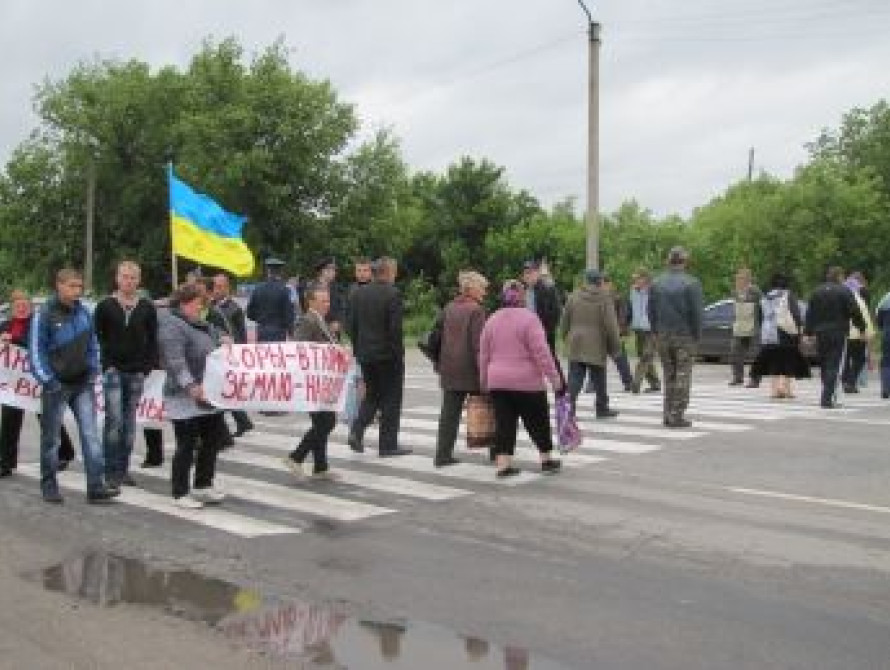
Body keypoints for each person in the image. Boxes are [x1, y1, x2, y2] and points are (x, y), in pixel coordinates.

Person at [28, 268, 119, 503]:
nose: (76, 291)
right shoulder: (44, 313)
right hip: (56, 385)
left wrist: (93, 369)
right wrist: (49, 380)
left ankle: (96, 486)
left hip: (82, 384)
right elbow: (36, 351)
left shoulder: (84, 312)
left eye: (79, 286)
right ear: (59, 285)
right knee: (52, 440)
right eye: (72, 286)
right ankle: (49, 484)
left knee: (90, 435)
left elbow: (93, 344)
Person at [479, 280, 564, 478]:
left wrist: (483, 381)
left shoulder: (491, 320)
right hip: (527, 382)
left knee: (504, 423)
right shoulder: (530, 319)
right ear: (522, 297)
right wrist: (554, 378)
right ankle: (546, 459)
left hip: (498, 382)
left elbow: (483, 354)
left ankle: (503, 464)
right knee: (537, 421)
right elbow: (542, 353)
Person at [157, 284, 227, 509]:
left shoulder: (202, 325)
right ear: (184, 302)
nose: (201, 307)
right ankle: (180, 492)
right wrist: (190, 385)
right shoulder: (171, 325)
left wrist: (224, 342)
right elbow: (175, 361)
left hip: (208, 393)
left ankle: (203, 484)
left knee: (212, 440)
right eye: (198, 302)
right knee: (186, 444)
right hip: (184, 395)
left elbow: (214, 346)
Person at [94, 260, 158, 488]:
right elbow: (97, 337)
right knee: (114, 422)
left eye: (133, 277)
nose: (128, 281)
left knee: (130, 423)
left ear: (139, 280)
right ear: (117, 278)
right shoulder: (105, 306)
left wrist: (147, 366)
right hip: (113, 371)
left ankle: (123, 469)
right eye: (124, 276)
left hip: (136, 372)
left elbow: (153, 339)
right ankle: (109, 471)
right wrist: (106, 364)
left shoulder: (147, 307)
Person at [0, 290, 74, 477]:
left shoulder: (38, 324)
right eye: (18, 305)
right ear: (12, 308)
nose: (22, 308)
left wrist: (15, 340)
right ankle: (6, 462)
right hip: (14, 384)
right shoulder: (4, 326)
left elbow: (40, 344)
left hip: (39, 380)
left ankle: (64, 452)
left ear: (30, 306)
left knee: (47, 418)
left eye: (25, 304)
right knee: (9, 420)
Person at [346, 257, 411, 457]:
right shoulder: (393, 293)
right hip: (387, 356)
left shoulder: (359, 294)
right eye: (394, 270)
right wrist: (398, 354)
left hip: (366, 354)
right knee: (391, 398)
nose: (396, 274)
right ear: (388, 271)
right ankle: (388, 445)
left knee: (372, 395)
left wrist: (358, 349)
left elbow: (351, 326)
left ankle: (357, 431)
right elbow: (395, 329)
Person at [282, 283, 340, 480]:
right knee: (327, 422)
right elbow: (299, 347)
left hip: (323, 380)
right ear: (311, 302)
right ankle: (296, 456)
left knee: (322, 422)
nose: (327, 304)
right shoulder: (307, 321)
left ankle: (320, 466)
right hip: (312, 382)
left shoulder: (320, 320)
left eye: (328, 300)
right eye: (323, 301)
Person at [434, 270, 488, 467]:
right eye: (482, 288)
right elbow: (478, 346)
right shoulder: (476, 311)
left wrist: (438, 363)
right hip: (470, 370)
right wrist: (485, 373)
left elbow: (436, 338)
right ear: (471, 288)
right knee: (491, 407)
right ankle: (496, 451)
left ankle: (442, 454)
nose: (485, 292)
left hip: (449, 368)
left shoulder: (449, 307)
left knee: (449, 414)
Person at [648, 247, 704, 429]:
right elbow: (697, 314)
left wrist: (656, 331)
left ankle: (667, 413)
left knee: (669, 374)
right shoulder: (692, 283)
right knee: (682, 375)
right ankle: (676, 414)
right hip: (684, 335)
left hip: (663, 334)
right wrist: (697, 335)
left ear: (668, 261)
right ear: (684, 262)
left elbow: (651, 311)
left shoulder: (656, 283)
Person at [561, 269, 621, 418]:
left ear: (585, 281)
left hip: (576, 342)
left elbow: (564, 321)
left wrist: (566, 337)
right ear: (599, 281)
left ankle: (569, 409)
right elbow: (611, 325)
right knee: (599, 378)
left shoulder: (573, 297)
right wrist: (615, 347)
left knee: (574, 378)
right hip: (597, 342)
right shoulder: (604, 298)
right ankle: (602, 408)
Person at [804, 266, 866, 409]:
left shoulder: (816, 291)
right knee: (834, 365)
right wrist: (861, 328)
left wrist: (807, 333)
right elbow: (854, 311)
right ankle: (827, 399)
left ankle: (826, 393)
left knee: (825, 364)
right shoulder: (844, 291)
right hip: (838, 332)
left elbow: (810, 313)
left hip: (820, 333)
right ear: (839, 277)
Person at [749, 273, 810, 398]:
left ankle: (775, 390)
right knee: (788, 361)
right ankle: (786, 389)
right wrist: (799, 329)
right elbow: (795, 314)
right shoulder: (788, 295)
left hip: (768, 333)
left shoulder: (765, 297)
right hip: (785, 333)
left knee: (774, 362)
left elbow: (759, 317)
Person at [211, 273, 254, 437]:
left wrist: (242, 354)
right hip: (216, 354)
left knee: (223, 392)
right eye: (215, 286)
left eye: (220, 287)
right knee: (223, 392)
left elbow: (241, 334)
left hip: (231, 354)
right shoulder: (210, 306)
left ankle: (231, 429)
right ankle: (242, 422)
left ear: (227, 288)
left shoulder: (234, 308)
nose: (217, 290)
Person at [246, 257, 295, 343]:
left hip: (262, 330)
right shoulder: (285, 290)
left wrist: (260, 319)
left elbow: (249, 313)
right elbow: (289, 314)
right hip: (279, 331)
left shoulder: (257, 289)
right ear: (280, 272)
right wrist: (291, 332)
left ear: (268, 271)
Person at [628, 269, 661, 394]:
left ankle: (635, 384)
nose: (636, 281)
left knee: (646, 356)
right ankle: (655, 383)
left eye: (638, 278)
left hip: (651, 329)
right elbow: (630, 308)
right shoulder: (633, 291)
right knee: (644, 356)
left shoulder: (654, 292)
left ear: (645, 279)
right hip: (638, 329)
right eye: (635, 279)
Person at [841, 273, 875, 394]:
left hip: (845, 332)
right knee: (859, 359)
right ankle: (850, 382)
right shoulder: (861, 298)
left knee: (846, 357)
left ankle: (846, 380)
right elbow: (865, 315)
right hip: (858, 332)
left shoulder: (843, 296)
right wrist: (868, 332)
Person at [729, 268, 762, 387]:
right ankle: (737, 377)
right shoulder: (734, 292)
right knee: (735, 352)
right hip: (739, 326)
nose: (738, 280)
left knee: (756, 354)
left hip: (754, 325)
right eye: (737, 278)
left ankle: (755, 379)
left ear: (748, 279)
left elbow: (761, 307)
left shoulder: (755, 291)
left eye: (741, 278)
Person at [521, 260, 561, 359]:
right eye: (526, 273)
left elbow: (556, 312)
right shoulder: (523, 292)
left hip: (543, 333)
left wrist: (547, 330)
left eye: (531, 272)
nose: (528, 276)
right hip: (526, 333)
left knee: (548, 360)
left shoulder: (548, 289)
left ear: (537, 273)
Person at [601, 272, 633, 392]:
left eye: (604, 284)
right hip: (601, 334)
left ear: (610, 284)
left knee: (620, 359)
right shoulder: (598, 298)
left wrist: (620, 331)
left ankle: (628, 382)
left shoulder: (618, 298)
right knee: (597, 360)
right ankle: (592, 384)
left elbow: (623, 316)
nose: (602, 286)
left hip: (615, 334)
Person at [314, 257, 345, 340]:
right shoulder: (312, 287)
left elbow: (343, 308)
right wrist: (323, 325)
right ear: (323, 271)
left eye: (335, 270)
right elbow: (308, 310)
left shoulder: (338, 288)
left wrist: (339, 322)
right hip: (317, 332)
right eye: (332, 269)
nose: (334, 272)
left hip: (334, 332)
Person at [875, 288, 890, 399]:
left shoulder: (886, 298)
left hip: (887, 334)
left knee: (886, 360)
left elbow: (878, 319)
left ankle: (885, 388)